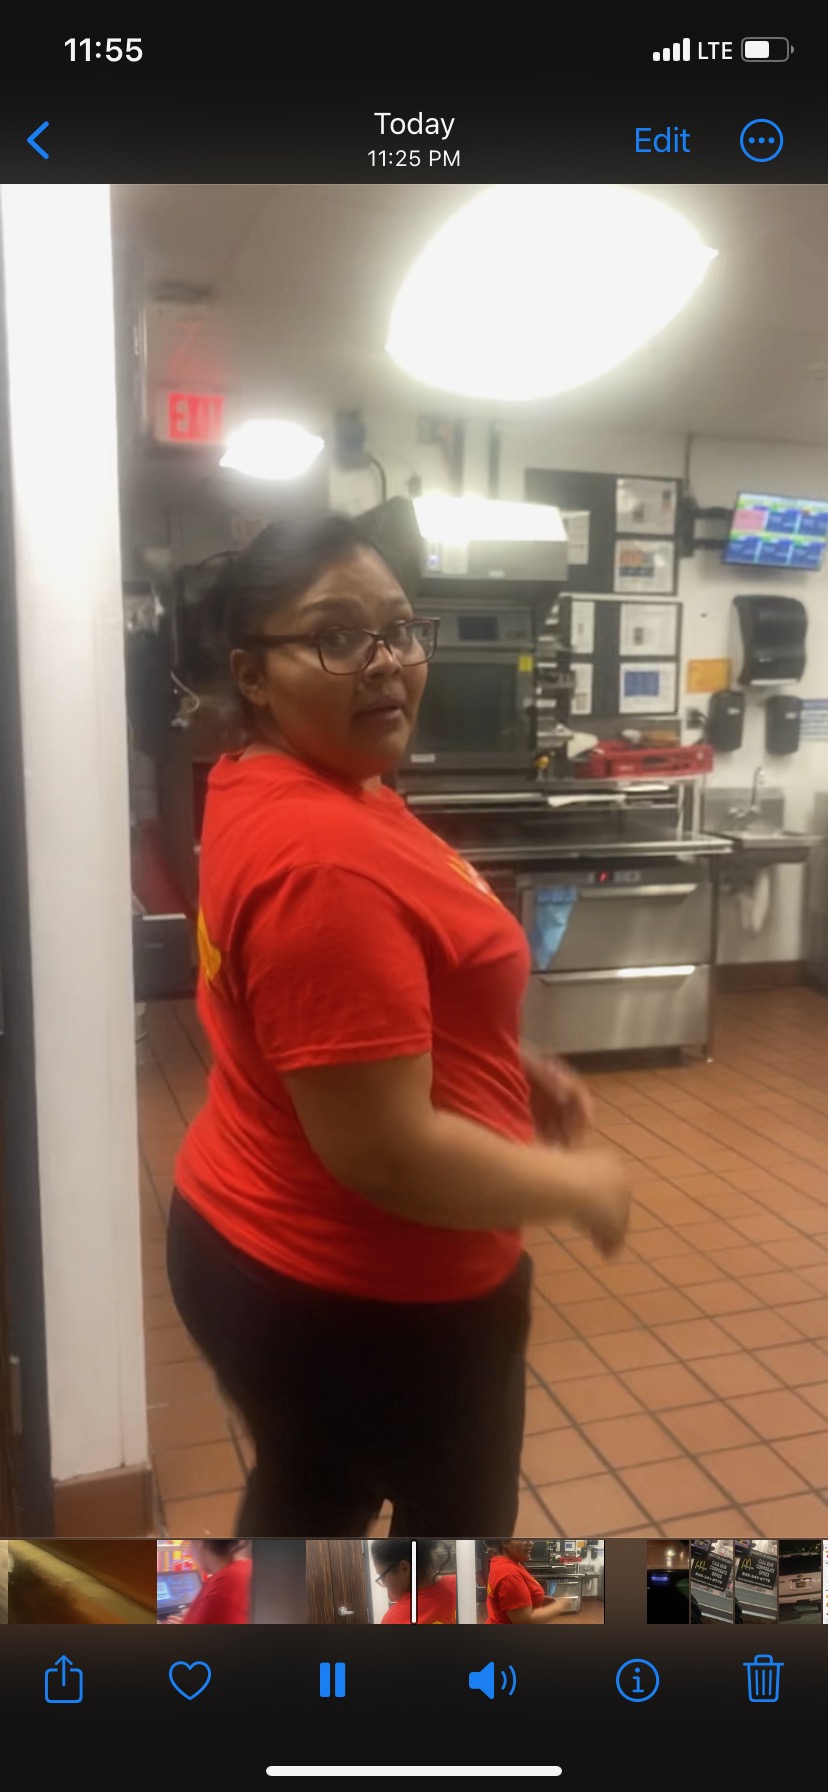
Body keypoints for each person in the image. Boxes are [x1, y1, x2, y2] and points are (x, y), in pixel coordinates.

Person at [167, 510, 631, 1536]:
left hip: (255, 1241)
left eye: (399, 629)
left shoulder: (293, 779)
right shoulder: (321, 857)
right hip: (365, 1299)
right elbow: (386, 1150)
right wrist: (580, 1185)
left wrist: (497, 1057)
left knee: (312, 1494)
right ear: (252, 675)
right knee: (451, 1564)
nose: (385, 663)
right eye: (336, 635)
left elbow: (338, 1000)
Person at [160, 1540, 251, 1625]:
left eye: (189, 1544)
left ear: (200, 1542)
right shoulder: (250, 1567)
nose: (190, 1551)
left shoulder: (220, 1587)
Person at [484, 1540, 569, 1625]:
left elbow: (508, 1597)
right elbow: (525, 1621)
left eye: (531, 1539)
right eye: (523, 1539)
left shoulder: (503, 1561)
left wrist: (538, 1599)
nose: (530, 1543)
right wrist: (560, 1605)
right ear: (505, 1542)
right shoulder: (510, 1574)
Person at [372, 1539, 456, 1624]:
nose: (384, 1584)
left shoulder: (393, 1620)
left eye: (383, 1576)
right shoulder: (460, 1585)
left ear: (405, 1568)